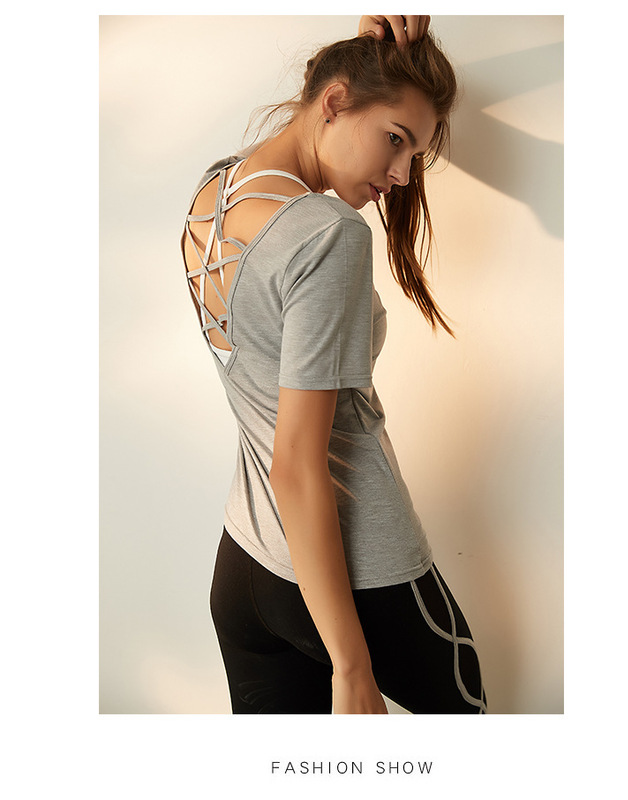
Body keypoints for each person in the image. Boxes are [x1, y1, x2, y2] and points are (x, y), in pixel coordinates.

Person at [180, 15, 487, 714]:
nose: (402, 175)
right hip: (359, 574)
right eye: (396, 140)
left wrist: (370, 63)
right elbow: (296, 464)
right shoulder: (328, 236)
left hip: (245, 564)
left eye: (415, 153)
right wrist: (350, 665)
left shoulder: (215, 189)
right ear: (335, 101)